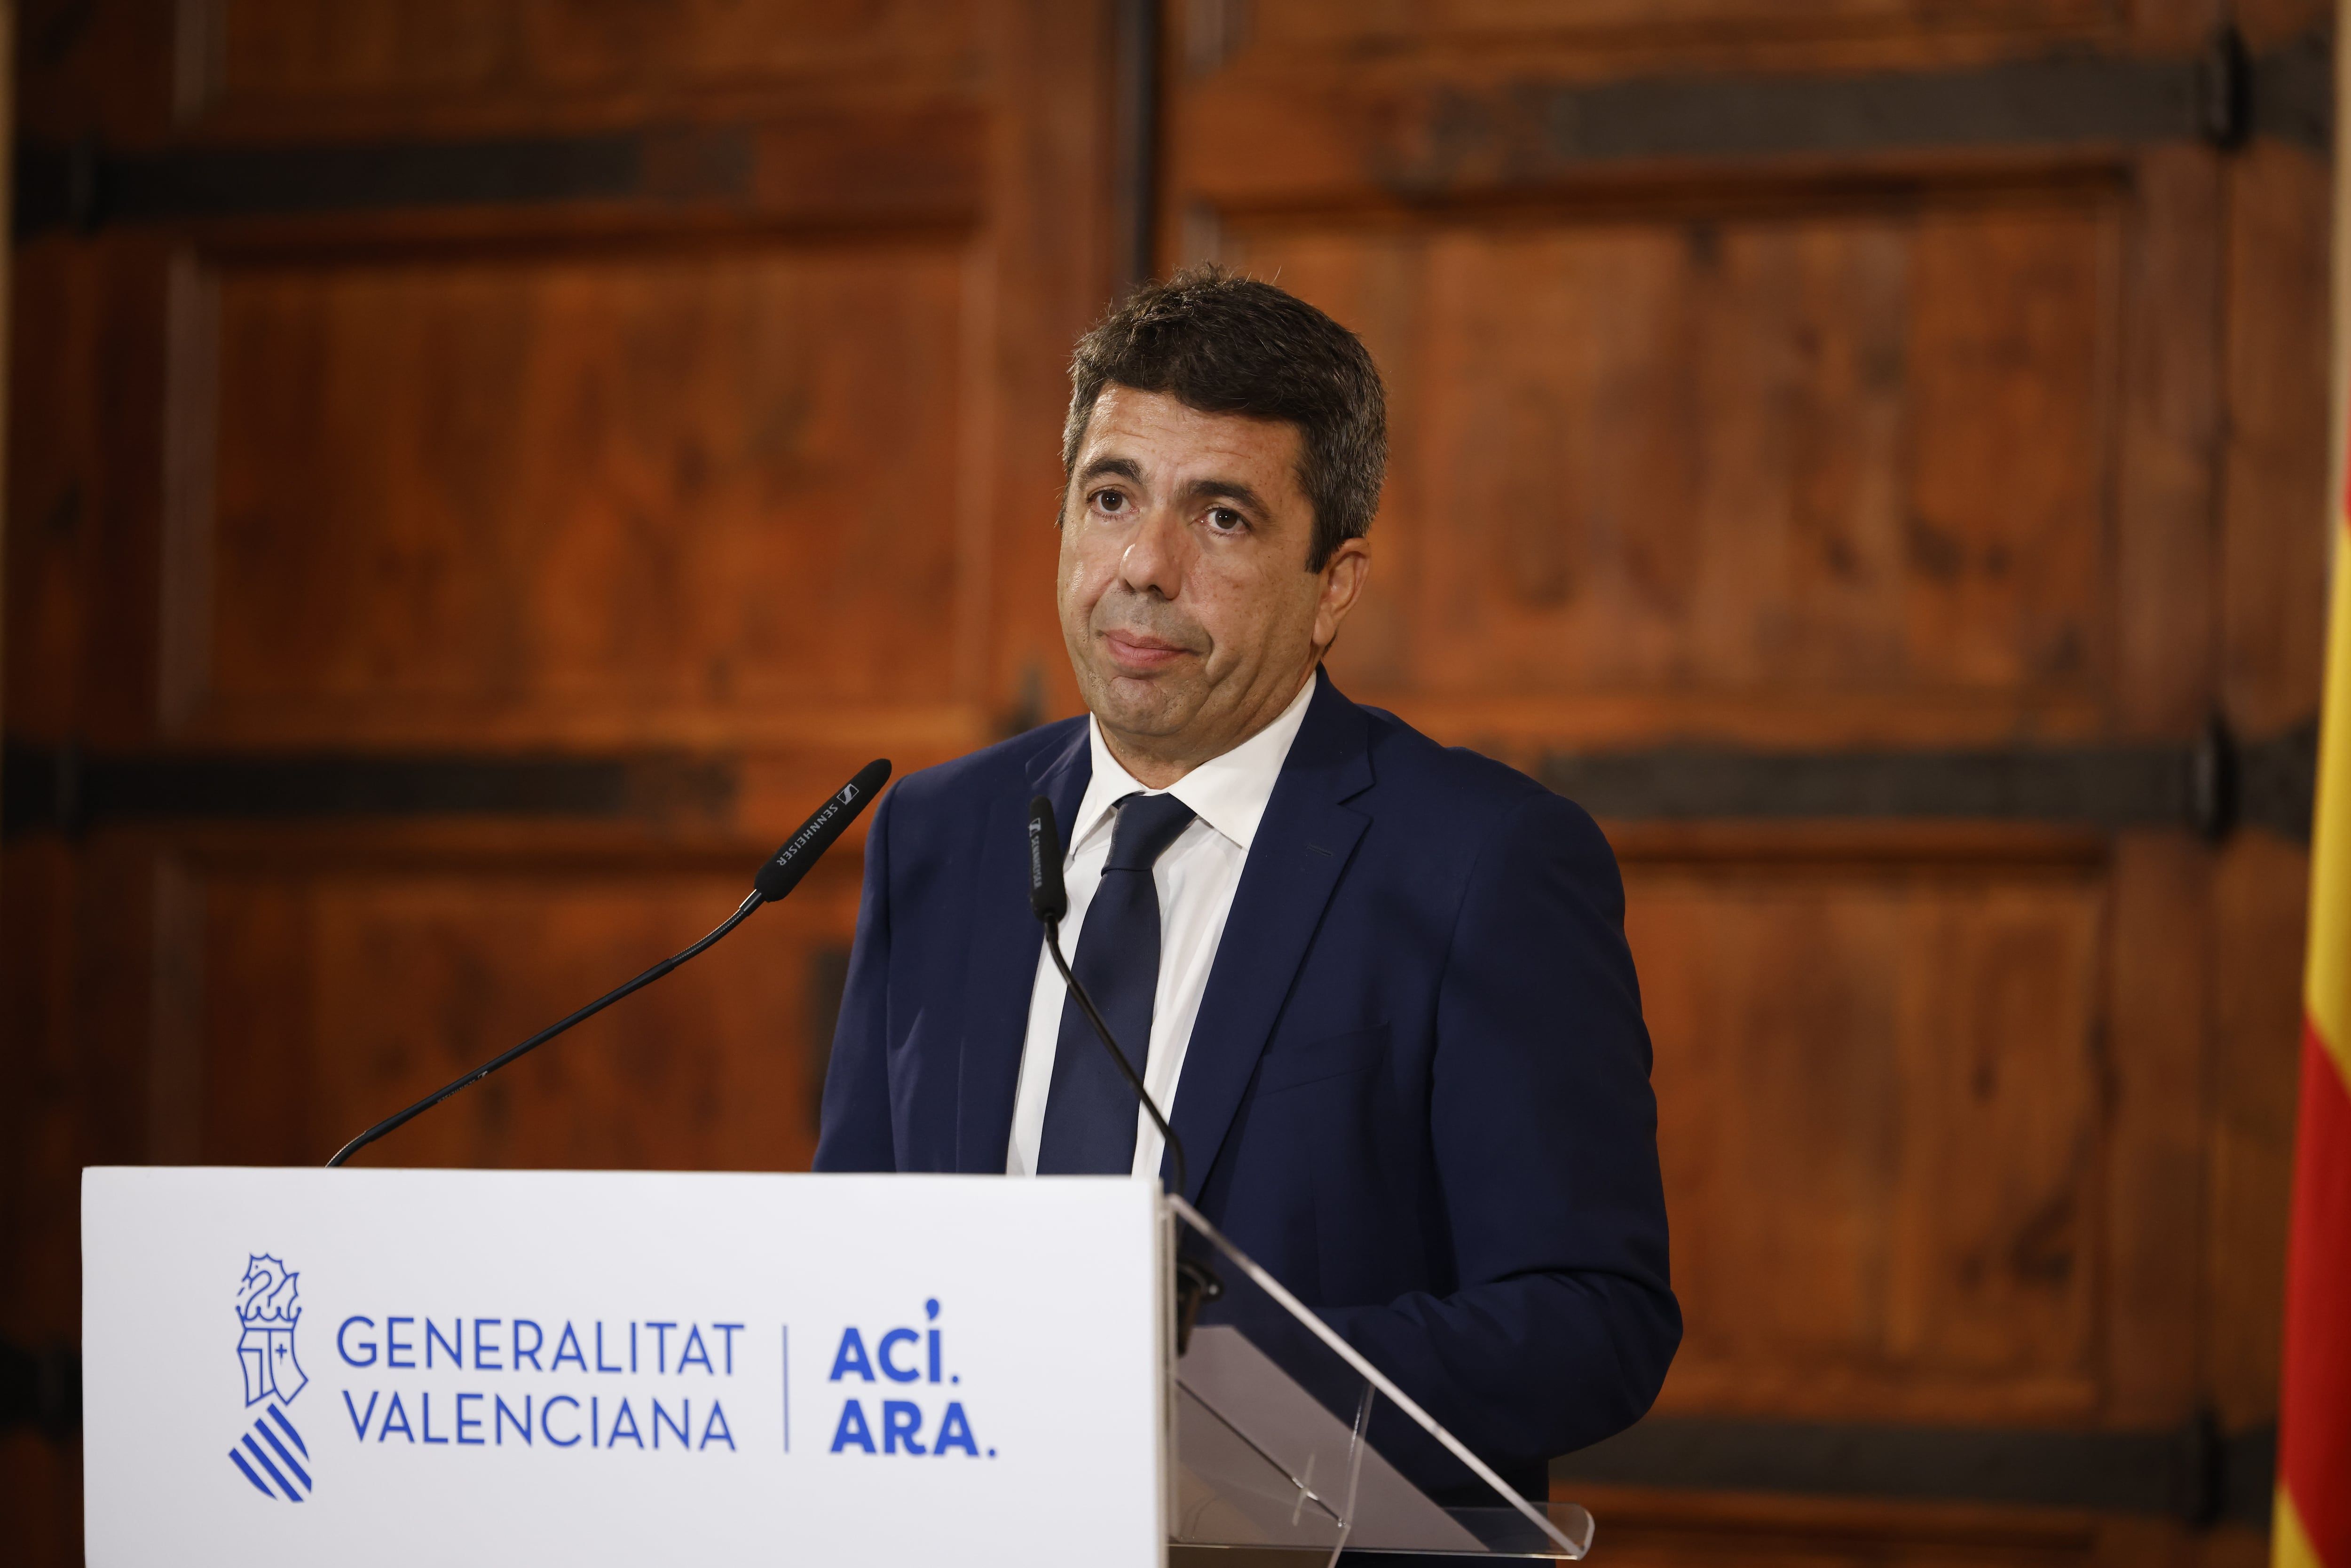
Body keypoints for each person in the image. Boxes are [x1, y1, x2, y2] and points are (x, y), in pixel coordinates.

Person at [814, 266, 1678, 1502]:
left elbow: (1594, 1322)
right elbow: (861, 1245)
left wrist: (1210, 1383)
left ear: (1334, 587)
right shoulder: (941, 834)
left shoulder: (1484, 862)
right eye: (1112, 498)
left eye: (1221, 518)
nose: (1147, 566)